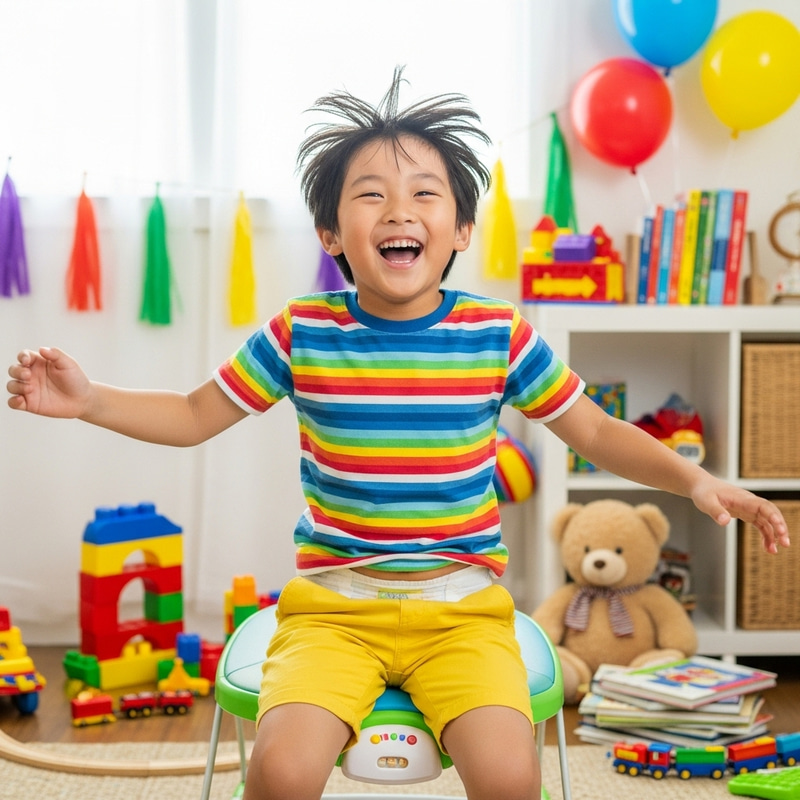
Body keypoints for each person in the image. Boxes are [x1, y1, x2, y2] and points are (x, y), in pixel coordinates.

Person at [6, 68, 790, 800]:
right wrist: (90, 401)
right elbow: (192, 414)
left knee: (511, 776)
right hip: (331, 610)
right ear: (330, 233)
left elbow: (595, 429)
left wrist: (696, 480)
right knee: (279, 770)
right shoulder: (303, 331)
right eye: (370, 195)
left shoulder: (498, 334)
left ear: (461, 229)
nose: (399, 211)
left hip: (465, 611)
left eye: (425, 193)